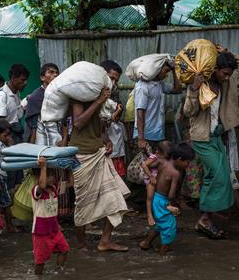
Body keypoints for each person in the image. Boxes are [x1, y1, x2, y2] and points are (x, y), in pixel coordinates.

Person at [183, 46, 239, 239]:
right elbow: (188, 112)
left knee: (217, 176)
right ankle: (204, 217)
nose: (227, 77)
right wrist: (194, 90)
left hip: (217, 135)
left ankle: (206, 217)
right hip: (201, 138)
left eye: (229, 74)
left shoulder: (228, 82)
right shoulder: (199, 83)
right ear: (215, 69)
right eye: (224, 73)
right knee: (219, 176)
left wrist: (226, 52)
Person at [70, 87, 131, 251]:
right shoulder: (78, 99)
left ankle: (105, 241)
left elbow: (99, 128)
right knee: (83, 204)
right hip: (81, 156)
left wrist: (106, 140)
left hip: (99, 153)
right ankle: (82, 245)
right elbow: (78, 123)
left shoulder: (102, 103)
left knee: (114, 198)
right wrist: (98, 102)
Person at [140, 143, 194, 255]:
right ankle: (162, 253)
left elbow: (147, 164)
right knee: (170, 226)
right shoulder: (176, 173)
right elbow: (171, 194)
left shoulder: (163, 162)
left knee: (161, 224)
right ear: (179, 159)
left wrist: (150, 176)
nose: (188, 165)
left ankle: (146, 243)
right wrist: (172, 206)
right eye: (187, 162)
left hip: (156, 198)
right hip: (163, 201)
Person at [0, 64, 29, 190]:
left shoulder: (16, 94)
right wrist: (8, 140)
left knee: (18, 172)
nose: (25, 83)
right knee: (10, 173)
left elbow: (17, 114)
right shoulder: (2, 96)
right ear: (13, 78)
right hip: (8, 137)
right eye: (22, 80)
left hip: (16, 135)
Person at [133, 57, 182, 152]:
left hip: (157, 135)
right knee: (142, 165)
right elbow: (140, 113)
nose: (167, 75)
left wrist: (174, 70)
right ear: (157, 69)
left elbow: (177, 90)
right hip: (145, 135)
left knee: (154, 165)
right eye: (166, 71)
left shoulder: (159, 84)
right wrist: (141, 138)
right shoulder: (142, 86)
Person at [32, 157, 69, 274]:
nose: (52, 178)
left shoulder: (53, 189)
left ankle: (58, 271)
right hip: (41, 231)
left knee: (64, 249)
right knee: (40, 261)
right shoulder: (36, 190)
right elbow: (42, 186)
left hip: (54, 229)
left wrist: (70, 167)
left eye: (52, 175)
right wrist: (43, 167)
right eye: (48, 175)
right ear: (38, 178)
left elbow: (70, 184)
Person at [99, 60, 128, 177]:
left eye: (116, 80)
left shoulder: (114, 94)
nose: (114, 83)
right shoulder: (91, 95)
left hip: (113, 142)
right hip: (100, 145)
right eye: (111, 78)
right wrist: (113, 115)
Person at [0, 119, 17, 233]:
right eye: (5, 135)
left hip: (1, 175)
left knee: (3, 201)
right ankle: (9, 226)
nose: (7, 137)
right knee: (6, 202)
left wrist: (9, 142)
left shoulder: (1, 143)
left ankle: (2, 224)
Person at [25, 63, 61, 145]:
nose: (55, 75)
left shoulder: (59, 95)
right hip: (42, 140)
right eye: (51, 72)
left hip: (57, 138)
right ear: (42, 77)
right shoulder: (36, 97)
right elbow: (33, 125)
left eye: (56, 73)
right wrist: (31, 147)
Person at [141, 141, 173, 225]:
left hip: (161, 179)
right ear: (158, 151)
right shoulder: (154, 157)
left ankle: (166, 211)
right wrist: (151, 176)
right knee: (150, 197)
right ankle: (150, 215)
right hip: (152, 179)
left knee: (164, 195)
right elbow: (144, 165)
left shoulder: (166, 157)